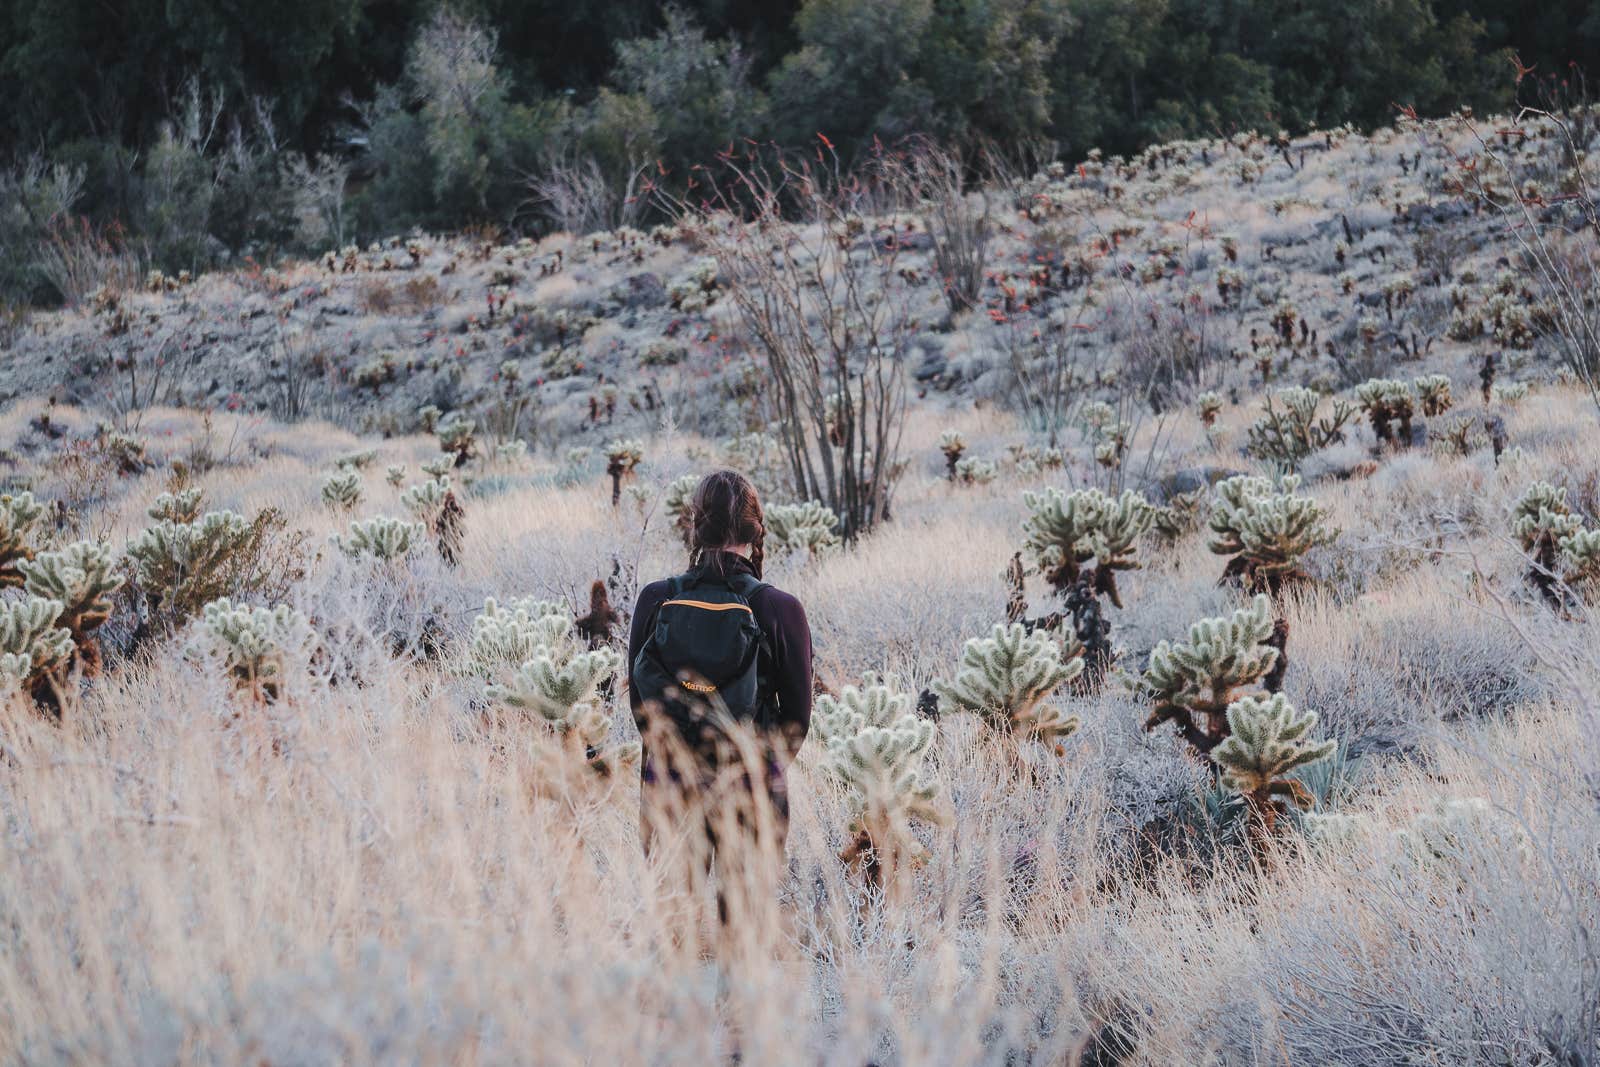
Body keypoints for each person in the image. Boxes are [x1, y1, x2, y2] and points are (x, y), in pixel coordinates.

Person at [628, 469, 813, 928]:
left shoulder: (655, 599)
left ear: (694, 525)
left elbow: (641, 706)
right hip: (750, 789)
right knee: (744, 937)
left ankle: (676, 1001)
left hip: (670, 785)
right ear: (756, 530)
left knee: (674, 934)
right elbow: (797, 721)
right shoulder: (780, 609)